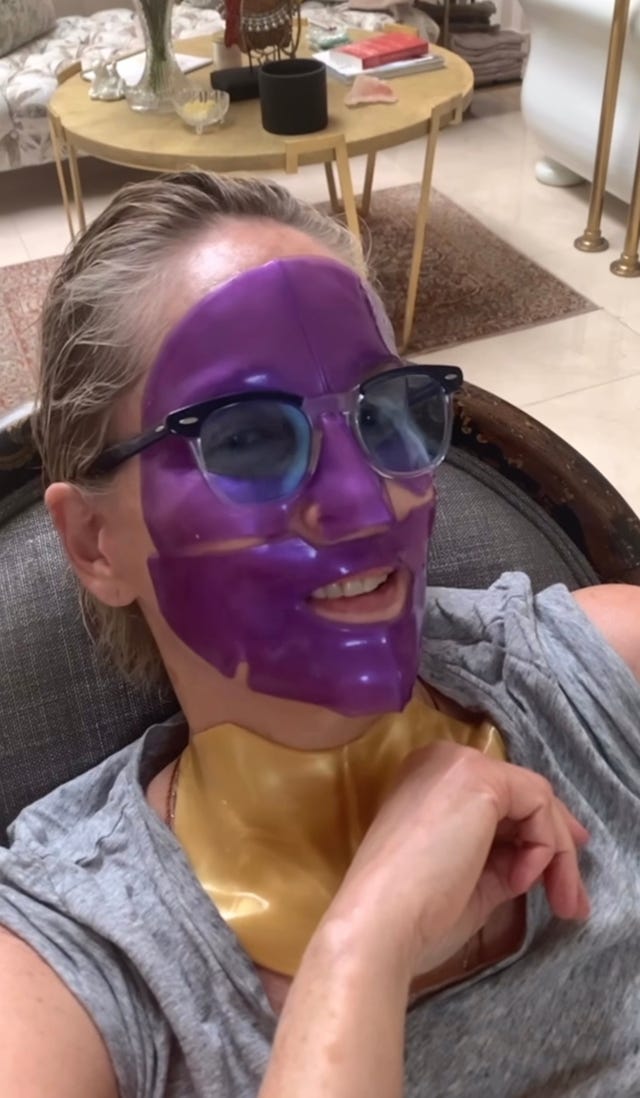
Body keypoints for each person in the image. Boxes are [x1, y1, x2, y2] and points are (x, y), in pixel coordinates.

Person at [0, 170, 638, 1098]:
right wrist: (364, 944)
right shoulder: (70, 963)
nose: (365, 503)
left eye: (384, 414)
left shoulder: (597, 676)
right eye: (245, 439)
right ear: (96, 542)